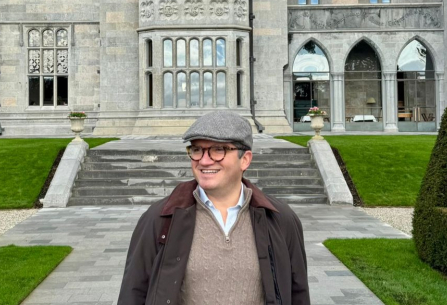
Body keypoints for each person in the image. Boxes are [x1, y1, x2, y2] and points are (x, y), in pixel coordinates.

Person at [117, 111, 310, 305]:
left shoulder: (280, 219)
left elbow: (298, 293)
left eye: (218, 150)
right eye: (197, 149)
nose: (204, 160)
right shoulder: (159, 218)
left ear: (245, 159)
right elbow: (133, 293)